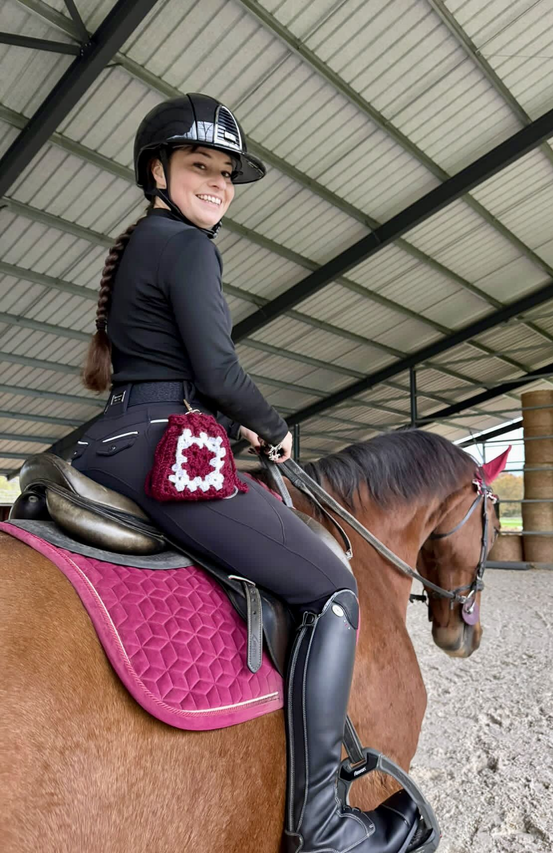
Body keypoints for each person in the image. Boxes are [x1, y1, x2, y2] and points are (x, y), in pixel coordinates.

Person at [72, 93, 427, 853]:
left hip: (109, 439)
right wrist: (271, 425)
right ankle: (324, 821)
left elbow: (175, 370)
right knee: (331, 586)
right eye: (202, 165)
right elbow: (219, 369)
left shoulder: (144, 244)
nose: (219, 183)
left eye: (227, 172)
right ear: (158, 172)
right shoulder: (188, 245)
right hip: (162, 444)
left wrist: (227, 414)